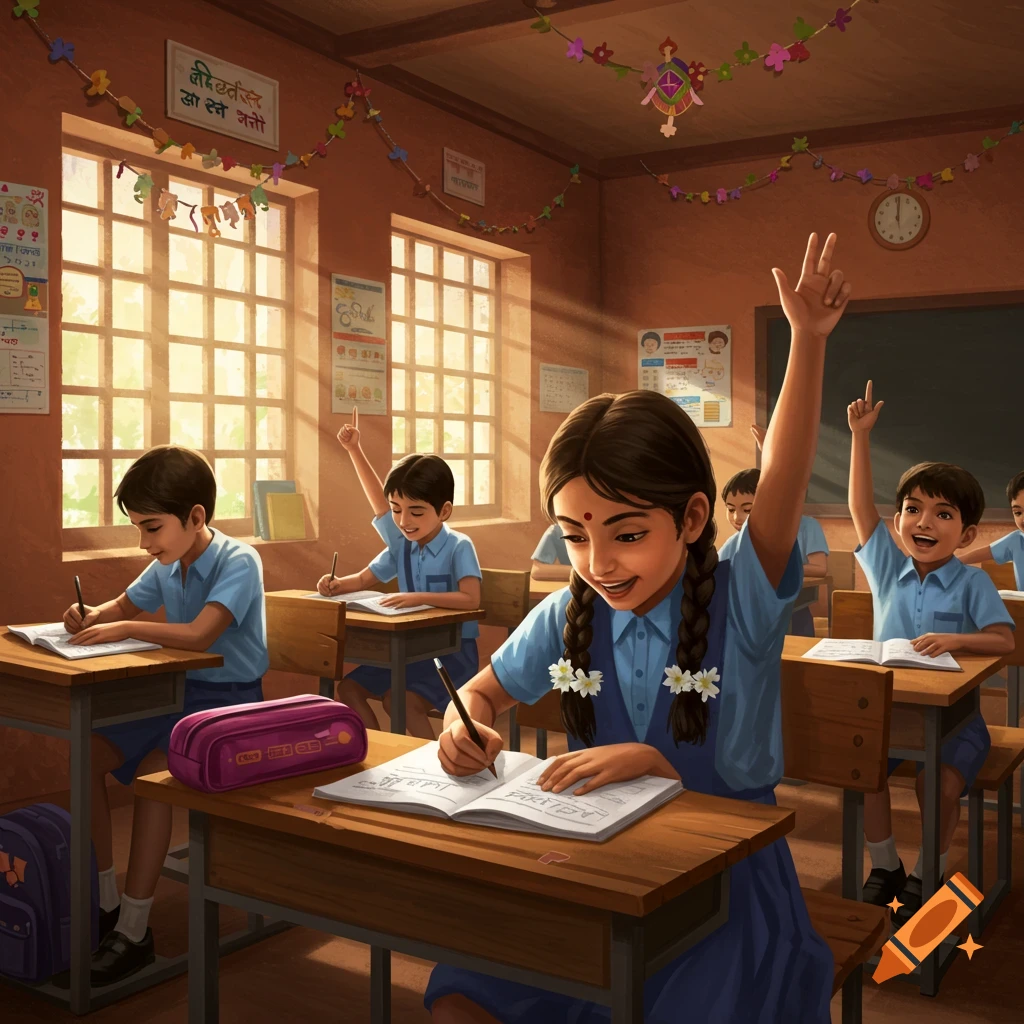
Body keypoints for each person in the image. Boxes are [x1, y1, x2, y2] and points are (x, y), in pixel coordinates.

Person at [426, 232, 853, 1024]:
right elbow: (480, 693)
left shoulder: (741, 597)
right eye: (575, 534)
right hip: (593, 864)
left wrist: (808, 342)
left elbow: (785, 483)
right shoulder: (566, 613)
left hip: (726, 882)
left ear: (694, 517)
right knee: (465, 990)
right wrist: (469, 728)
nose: (598, 561)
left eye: (626, 534)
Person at [62, 446, 268, 984]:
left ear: (196, 517)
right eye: (138, 527)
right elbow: (118, 610)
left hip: (231, 702)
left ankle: (134, 931)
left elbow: (201, 635)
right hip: (176, 695)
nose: (144, 542)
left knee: (155, 772)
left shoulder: (239, 560)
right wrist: (88, 615)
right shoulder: (167, 563)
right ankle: (104, 901)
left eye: (151, 527)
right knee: (85, 753)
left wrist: (126, 629)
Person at [846, 380, 1014, 925]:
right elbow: (857, 506)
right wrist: (859, 438)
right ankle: (885, 866)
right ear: (897, 520)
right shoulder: (885, 568)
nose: (923, 522)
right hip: (892, 710)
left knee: (933, 783)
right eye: (913, 509)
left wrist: (958, 639)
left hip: (956, 722)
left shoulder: (972, 583)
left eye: (942, 515)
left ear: (965, 535)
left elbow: (1005, 641)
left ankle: (930, 872)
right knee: (863, 770)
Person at [319, 407, 482, 739]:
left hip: (452, 653)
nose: (404, 521)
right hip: (410, 648)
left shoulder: (459, 546)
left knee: (400, 700)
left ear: (444, 510)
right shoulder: (403, 545)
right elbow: (366, 578)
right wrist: (337, 586)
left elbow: (471, 599)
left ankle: (435, 762)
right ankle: (376, 751)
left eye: (416, 512)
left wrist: (416, 597)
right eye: (397, 511)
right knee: (348, 689)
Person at [961, 469, 1024, 588]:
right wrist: (943, 564)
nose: (1023, 519)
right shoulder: (1017, 540)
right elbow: (979, 554)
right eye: (1018, 512)